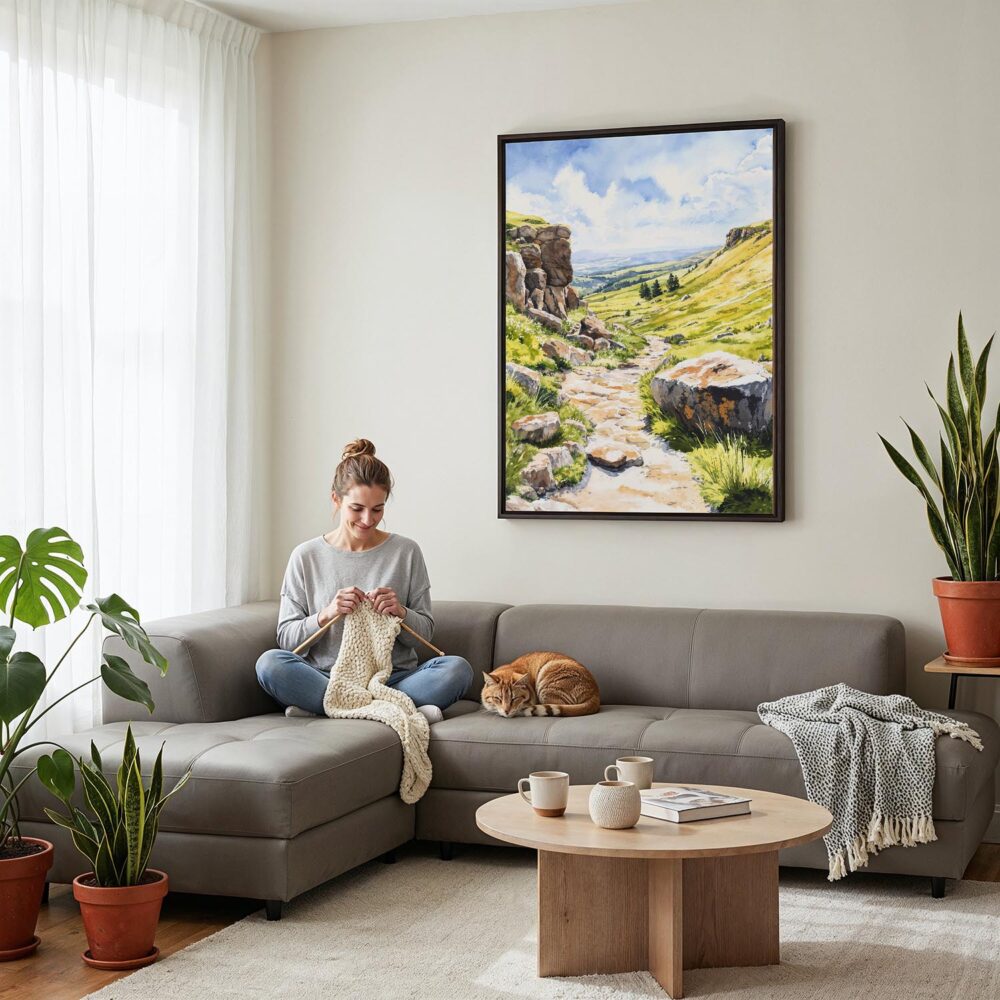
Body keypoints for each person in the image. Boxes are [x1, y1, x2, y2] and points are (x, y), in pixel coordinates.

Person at [255, 439, 473, 724]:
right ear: (336, 499)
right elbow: (287, 640)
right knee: (270, 664)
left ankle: (330, 706)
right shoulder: (305, 556)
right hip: (327, 676)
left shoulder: (406, 552)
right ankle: (394, 708)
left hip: (392, 678)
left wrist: (401, 612)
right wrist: (327, 614)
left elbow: (426, 633)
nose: (368, 520)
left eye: (377, 509)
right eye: (357, 508)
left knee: (458, 670)